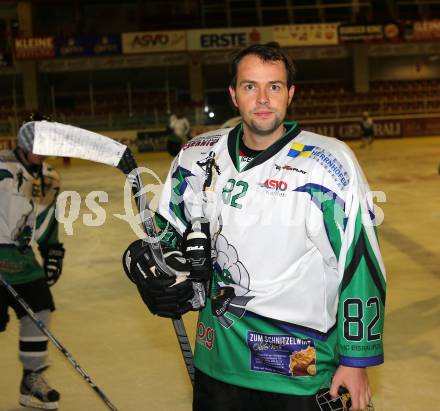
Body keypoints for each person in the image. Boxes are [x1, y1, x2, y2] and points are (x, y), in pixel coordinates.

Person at [123, 44, 386, 411]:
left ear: (291, 94)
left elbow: (359, 261)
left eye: (274, 87)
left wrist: (356, 359)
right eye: (250, 86)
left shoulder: (327, 164)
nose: (263, 99)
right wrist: (154, 265)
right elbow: (170, 234)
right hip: (217, 362)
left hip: (298, 365)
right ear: (233, 94)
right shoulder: (197, 156)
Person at [0, 113, 64, 410]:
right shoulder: (2, 164)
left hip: (22, 260)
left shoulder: (49, 175)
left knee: (39, 308)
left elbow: (46, 219)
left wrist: (52, 251)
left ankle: (31, 380)